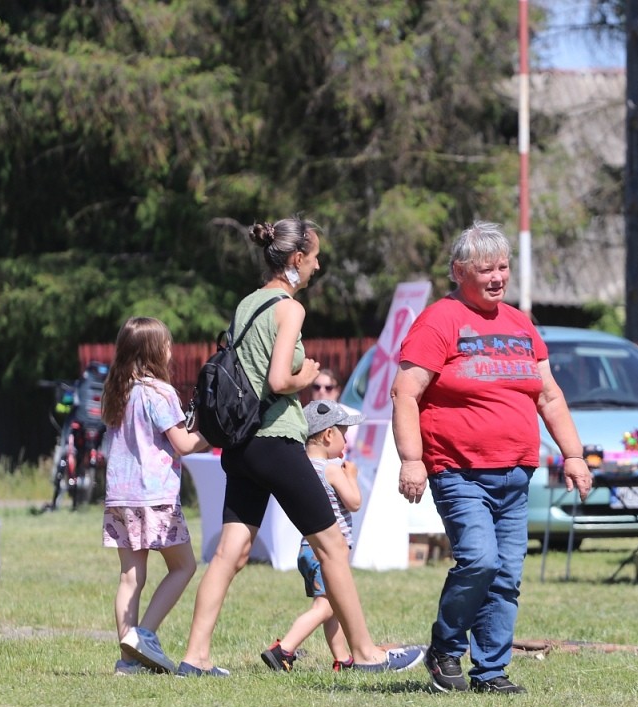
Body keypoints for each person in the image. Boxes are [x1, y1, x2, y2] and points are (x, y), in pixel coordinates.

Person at [179, 216, 411, 676]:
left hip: (240, 446)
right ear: (296, 259)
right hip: (275, 440)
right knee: (333, 547)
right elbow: (280, 379)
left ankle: (195, 657)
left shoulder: (247, 305)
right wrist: (308, 376)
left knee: (232, 552)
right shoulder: (290, 308)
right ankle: (366, 653)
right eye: (316, 257)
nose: (318, 266)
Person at [392, 220, 593, 695]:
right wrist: (411, 459)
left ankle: (490, 672)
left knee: (505, 576)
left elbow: (549, 396)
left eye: (503, 266)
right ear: (460, 271)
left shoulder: (521, 324)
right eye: (486, 269)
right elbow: (405, 392)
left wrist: (574, 455)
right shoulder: (439, 320)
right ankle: (444, 648)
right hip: (458, 470)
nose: (498, 276)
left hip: (515, 472)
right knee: (479, 561)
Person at [260, 400, 423, 673]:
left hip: (307, 548)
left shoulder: (303, 469)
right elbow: (354, 502)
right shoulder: (332, 469)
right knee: (327, 607)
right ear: (327, 435)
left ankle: (343, 658)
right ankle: (283, 649)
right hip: (328, 550)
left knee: (332, 608)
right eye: (343, 434)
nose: (346, 442)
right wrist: (353, 477)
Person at [101, 317, 209, 675]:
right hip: (155, 496)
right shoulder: (159, 392)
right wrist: (212, 433)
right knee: (184, 566)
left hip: (121, 496)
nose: (170, 349)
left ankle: (127, 662)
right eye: (166, 344)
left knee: (130, 577)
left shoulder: (118, 390)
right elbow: (183, 444)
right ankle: (143, 634)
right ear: (154, 351)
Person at [309, 366, 361, 453]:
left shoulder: (352, 416)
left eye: (328, 388)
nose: (322, 391)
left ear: (338, 390)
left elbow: (359, 449)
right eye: (317, 387)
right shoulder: (304, 416)